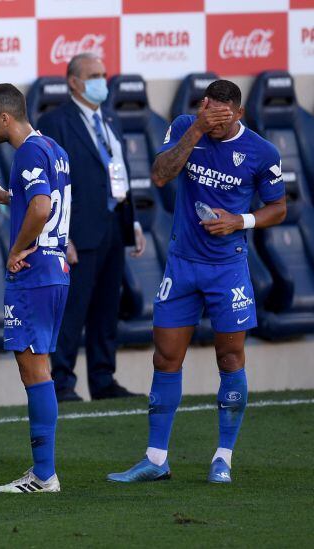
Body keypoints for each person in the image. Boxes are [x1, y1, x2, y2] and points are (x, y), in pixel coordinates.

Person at [108, 80, 286, 485]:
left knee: (230, 358)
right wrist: (198, 129)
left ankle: (223, 457)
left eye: (225, 121)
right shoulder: (188, 127)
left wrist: (240, 221)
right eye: (213, 117)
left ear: (239, 114)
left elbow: (278, 208)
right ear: (205, 106)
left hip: (228, 268)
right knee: (166, 357)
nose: (218, 127)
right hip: (182, 264)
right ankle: (156, 459)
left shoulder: (262, 152)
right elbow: (159, 174)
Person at [0, 83, 70, 494]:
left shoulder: (28, 152)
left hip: (34, 272)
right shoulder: (53, 148)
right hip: (55, 268)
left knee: (33, 369)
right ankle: (43, 471)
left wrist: (17, 249)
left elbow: (42, 207)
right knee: (38, 366)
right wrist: (6, 196)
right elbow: (42, 199)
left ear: (4, 117)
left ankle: (44, 474)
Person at [35, 53, 143, 402]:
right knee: (73, 309)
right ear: (73, 82)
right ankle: (63, 382)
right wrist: (61, 235)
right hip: (78, 230)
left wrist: (134, 221)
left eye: (104, 73)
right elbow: (53, 181)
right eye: (94, 75)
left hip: (114, 222)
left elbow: (120, 170)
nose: (102, 80)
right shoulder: (55, 121)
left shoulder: (111, 118)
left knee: (106, 308)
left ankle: (103, 378)